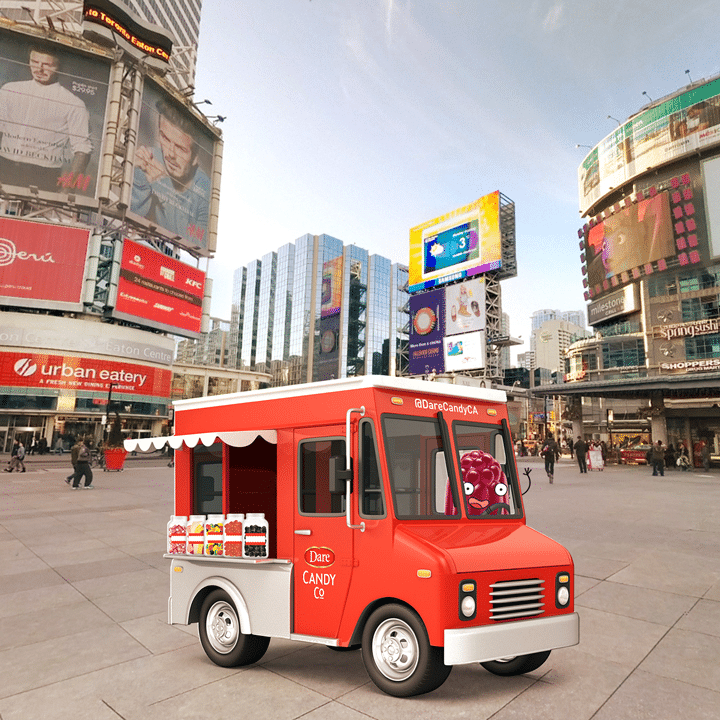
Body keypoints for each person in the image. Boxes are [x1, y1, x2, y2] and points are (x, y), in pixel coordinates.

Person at [0, 46, 91, 191]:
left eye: (47, 65)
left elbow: (83, 150)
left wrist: (66, 190)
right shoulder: (9, 90)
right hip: (4, 167)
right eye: (34, 62)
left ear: (59, 66)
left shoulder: (74, 104)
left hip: (44, 176)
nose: (39, 69)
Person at [131, 99, 210, 243]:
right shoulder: (150, 157)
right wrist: (138, 180)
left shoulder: (205, 188)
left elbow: (198, 242)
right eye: (165, 138)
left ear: (195, 158)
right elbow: (132, 216)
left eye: (181, 148)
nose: (170, 154)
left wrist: (163, 187)